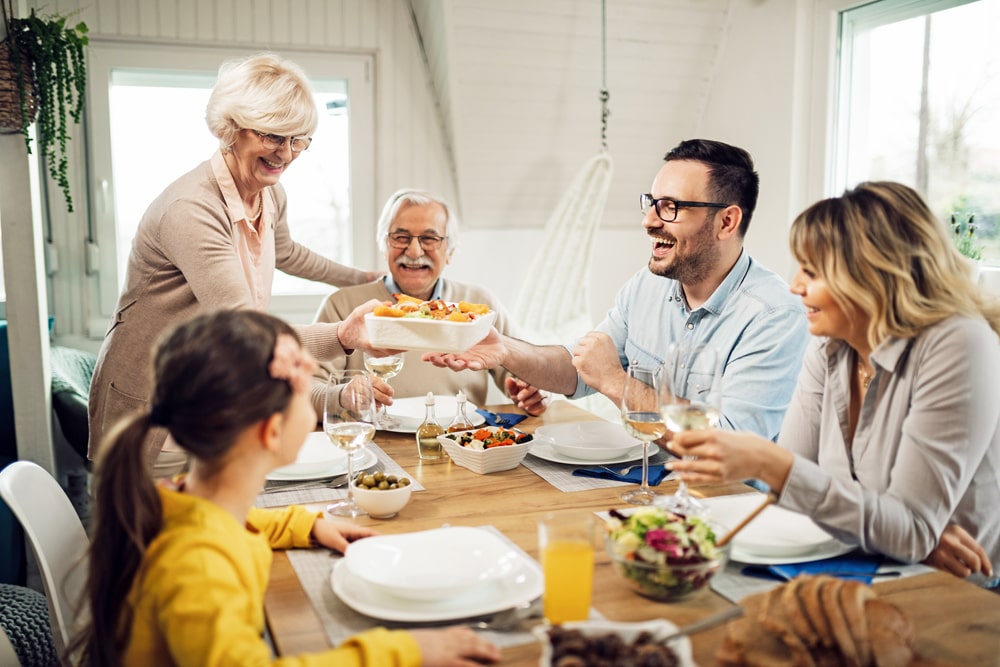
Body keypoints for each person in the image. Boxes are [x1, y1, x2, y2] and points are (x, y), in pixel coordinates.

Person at [71, 309, 502, 666]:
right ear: (271, 432)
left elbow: (230, 523)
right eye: (304, 388)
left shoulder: (185, 501)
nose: (318, 393)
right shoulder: (199, 567)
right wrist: (402, 652)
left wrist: (302, 524)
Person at [668, 181, 1000, 585]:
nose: (795, 286)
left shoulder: (959, 343)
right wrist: (899, 534)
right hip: (871, 565)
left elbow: (905, 528)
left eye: (812, 270)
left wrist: (771, 463)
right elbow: (792, 499)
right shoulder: (831, 347)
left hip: (955, 592)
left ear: (872, 275)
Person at [89, 53, 384, 476]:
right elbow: (245, 331)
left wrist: (364, 279)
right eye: (272, 136)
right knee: (159, 540)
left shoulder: (269, 193)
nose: (286, 154)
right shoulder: (192, 209)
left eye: (299, 139)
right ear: (231, 128)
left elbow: (286, 253)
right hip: (157, 414)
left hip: (215, 399)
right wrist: (343, 335)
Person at [425, 139, 809, 440]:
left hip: (725, 509)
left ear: (727, 221)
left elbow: (726, 447)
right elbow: (578, 372)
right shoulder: (647, 285)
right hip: (641, 485)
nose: (648, 221)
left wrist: (615, 382)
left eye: (670, 207)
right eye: (651, 203)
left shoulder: (774, 316)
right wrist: (505, 349)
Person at [311, 189, 548, 417]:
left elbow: (527, 373)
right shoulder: (342, 305)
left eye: (429, 239)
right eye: (401, 238)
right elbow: (305, 391)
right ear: (384, 246)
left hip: (462, 444)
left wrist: (534, 392)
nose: (414, 251)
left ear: (450, 251)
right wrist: (342, 396)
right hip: (375, 446)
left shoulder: (480, 303)